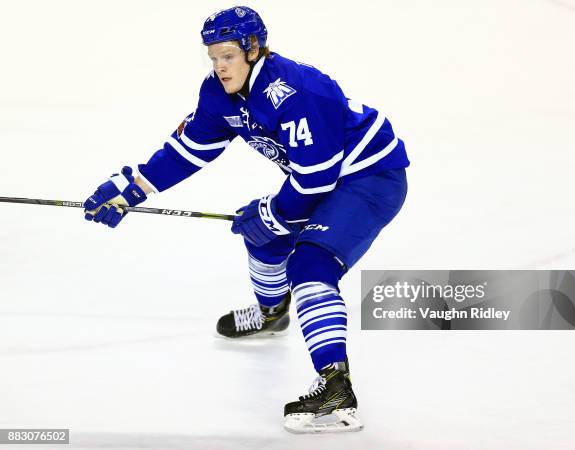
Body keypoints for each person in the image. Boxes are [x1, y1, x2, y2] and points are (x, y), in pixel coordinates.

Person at [83, 6, 409, 434]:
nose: (219, 66)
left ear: (253, 49)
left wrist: (274, 212)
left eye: (228, 56)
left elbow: (315, 177)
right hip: (322, 178)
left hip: (370, 179)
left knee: (309, 266)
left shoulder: (298, 91)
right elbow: (192, 147)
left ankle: (336, 387)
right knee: (263, 239)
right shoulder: (219, 92)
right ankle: (273, 313)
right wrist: (134, 186)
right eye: (213, 56)